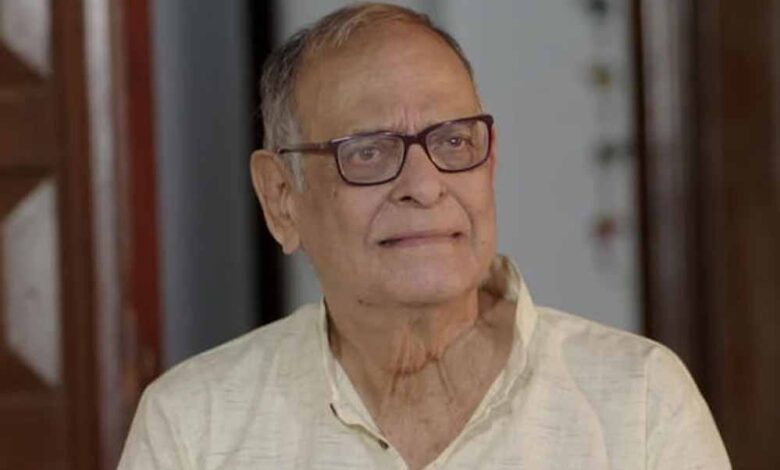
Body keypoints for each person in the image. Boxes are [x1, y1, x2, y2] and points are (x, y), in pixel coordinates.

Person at [117, 3, 731, 469]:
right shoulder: (195, 427)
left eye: (454, 141)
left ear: (490, 164)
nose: (425, 185)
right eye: (369, 151)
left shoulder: (639, 402)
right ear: (281, 198)